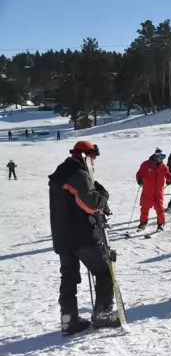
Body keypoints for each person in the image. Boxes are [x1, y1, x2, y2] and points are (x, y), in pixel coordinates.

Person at [48, 141, 119, 335]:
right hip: (80, 235)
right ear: (85, 156)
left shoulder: (60, 173)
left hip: (62, 236)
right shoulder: (77, 174)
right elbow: (91, 204)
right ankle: (102, 315)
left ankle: (68, 320)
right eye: (93, 157)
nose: (94, 162)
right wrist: (103, 195)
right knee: (104, 271)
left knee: (69, 277)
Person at [136, 149, 171, 231]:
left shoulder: (163, 167)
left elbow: (168, 176)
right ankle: (143, 223)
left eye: (163, 157)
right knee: (145, 208)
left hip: (158, 192)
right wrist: (139, 180)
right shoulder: (146, 164)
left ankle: (161, 224)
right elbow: (139, 174)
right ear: (156, 157)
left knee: (160, 209)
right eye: (161, 157)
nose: (162, 159)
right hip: (147, 191)